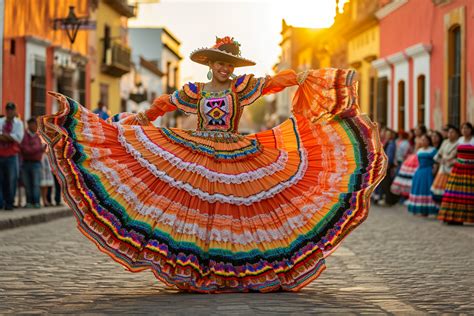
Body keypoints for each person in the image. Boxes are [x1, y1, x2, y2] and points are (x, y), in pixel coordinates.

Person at [37, 36, 387, 293]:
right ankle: (200, 267)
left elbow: (272, 83)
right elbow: (165, 103)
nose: (224, 68)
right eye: (220, 63)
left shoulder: (242, 87)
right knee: (200, 212)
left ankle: (235, 269)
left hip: (236, 153)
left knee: (237, 214)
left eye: (229, 64)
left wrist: (302, 77)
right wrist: (140, 119)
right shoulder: (194, 91)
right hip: (199, 153)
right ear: (210, 65)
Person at [438, 122, 474, 224]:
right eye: (463, 128)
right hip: (458, 169)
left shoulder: (473, 140)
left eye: (467, 128)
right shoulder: (460, 140)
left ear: (471, 129)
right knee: (454, 193)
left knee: (469, 194)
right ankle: (454, 218)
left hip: (471, 170)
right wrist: (448, 160)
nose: (465, 130)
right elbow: (454, 154)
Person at [391, 125, 427, 199]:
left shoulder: (424, 138)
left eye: (417, 130)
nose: (415, 131)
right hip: (413, 156)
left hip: (419, 157)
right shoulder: (415, 138)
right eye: (415, 130)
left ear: (422, 131)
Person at [0, 102, 24, 210]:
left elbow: (18, 138)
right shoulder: (1, 121)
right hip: (1, 154)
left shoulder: (19, 123)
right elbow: (12, 137)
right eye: (8, 109)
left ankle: (9, 202)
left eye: (11, 110)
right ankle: (1, 202)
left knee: (11, 179)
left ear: (15, 111)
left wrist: (4, 136)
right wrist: (10, 137)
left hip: (12, 155)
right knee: (1, 180)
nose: (9, 112)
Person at [407, 134, 438, 216]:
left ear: (429, 141)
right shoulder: (419, 150)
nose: (423, 141)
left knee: (426, 190)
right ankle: (416, 208)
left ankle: (426, 210)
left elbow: (436, 162)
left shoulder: (433, 150)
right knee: (418, 189)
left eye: (425, 140)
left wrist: (434, 170)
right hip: (419, 172)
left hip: (428, 172)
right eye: (422, 140)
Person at [430, 126, 460, 202]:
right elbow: (438, 154)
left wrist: (450, 161)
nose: (450, 134)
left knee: (452, 191)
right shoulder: (445, 142)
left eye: (452, 132)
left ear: (457, 134)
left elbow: (458, 157)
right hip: (443, 168)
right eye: (449, 132)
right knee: (439, 193)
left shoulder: (459, 143)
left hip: (453, 168)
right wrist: (440, 160)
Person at [20, 117, 44, 208]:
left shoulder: (39, 136)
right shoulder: (25, 135)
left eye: (34, 124)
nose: (33, 126)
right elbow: (24, 149)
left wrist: (32, 148)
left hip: (36, 163)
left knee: (35, 184)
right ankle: (29, 202)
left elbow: (42, 147)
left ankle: (36, 202)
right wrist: (36, 149)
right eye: (31, 124)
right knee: (27, 184)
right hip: (26, 162)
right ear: (28, 125)